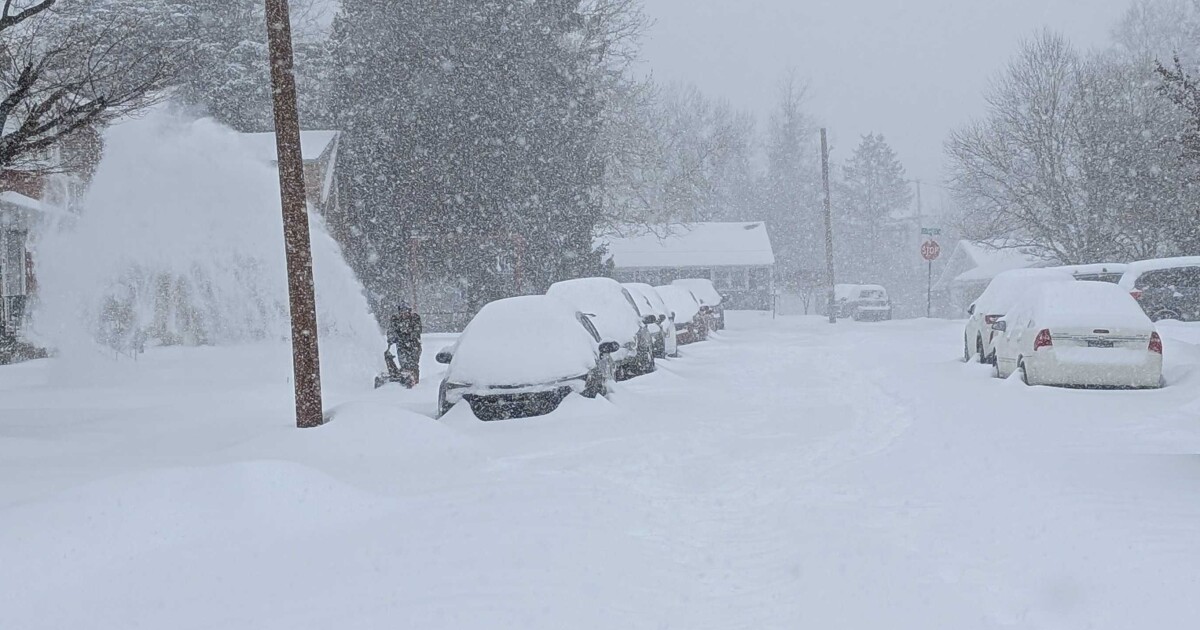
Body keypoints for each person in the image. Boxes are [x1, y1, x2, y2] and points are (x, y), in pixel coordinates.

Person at [386, 301, 423, 386]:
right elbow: (391, 331)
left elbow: (417, 331)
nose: (405, 314)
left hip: (414, 344)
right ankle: (405, 380)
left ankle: (415, 381)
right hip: (401, 345)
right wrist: (392, 338)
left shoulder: (415, 318)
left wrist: (406, 336)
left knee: (413, 363)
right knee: (403, 363)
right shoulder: (395, 319)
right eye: (402, 311)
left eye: (406, 311)